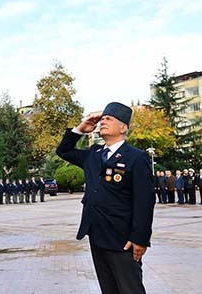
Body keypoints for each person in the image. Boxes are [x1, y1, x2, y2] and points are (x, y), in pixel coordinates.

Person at [56, 102, 154, 293]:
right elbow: (63, 151)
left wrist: (140, 239)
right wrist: (80, 129)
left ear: (123, 127)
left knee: (129, 288)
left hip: (122, 238)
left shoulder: (136, 157)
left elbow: (145, 201)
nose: (103, 122)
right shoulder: (94, 154)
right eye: (102, 120)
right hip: (97, 234)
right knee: (108, 288)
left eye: (109, 119)